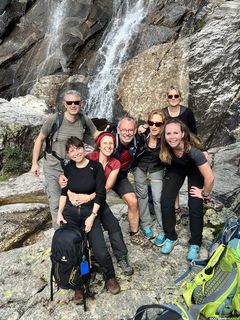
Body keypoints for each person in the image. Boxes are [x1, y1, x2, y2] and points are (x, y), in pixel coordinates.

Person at [59, 132, 134, 276]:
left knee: (113, 225)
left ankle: (122, 257)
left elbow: (106, 187)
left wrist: (88, 197)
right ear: (99, 145)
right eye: (105, 143)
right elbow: (74, 172)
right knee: (85, 233)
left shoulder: (115, 163)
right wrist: (63, 182)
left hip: (98, 198)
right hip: (85, 205)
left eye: (111, 143)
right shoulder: (89, 157)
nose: (108, 146)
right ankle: (88, 260)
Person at [57, 137, 120, 304]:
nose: (76, 153)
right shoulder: (68, 168)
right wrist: (60, 213)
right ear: (68, 154)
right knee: (77, 251)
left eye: (78, 148)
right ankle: (79, 284)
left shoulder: (95, 167)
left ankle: (110, 276)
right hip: (71, 214)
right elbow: (64, 192)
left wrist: (92, 217)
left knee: (99, 250)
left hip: (89, 212)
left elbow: (101, 193)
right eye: (71, 151)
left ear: (83, 148)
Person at [31, 90, 99, 229]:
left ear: (82, 103)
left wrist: (116, 135)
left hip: (74, 167)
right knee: (56, 202)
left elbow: (97, 134)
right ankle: (60, 235)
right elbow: (40, 139)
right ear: (64, 104)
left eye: (76, 102)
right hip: (53, 166)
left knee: (74, 200)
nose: (73, 105)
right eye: (69, 102)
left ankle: (75, 232)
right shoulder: (54, 119)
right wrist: (34, 163)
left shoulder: (84, 119)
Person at [159, 119, 214, 260]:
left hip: (195, 170)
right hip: (176, 168)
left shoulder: (194, 152)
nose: (172, 137)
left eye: (175, 133)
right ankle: (171, 237)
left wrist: (204, 194)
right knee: (165, 201)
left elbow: (210, 178)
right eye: (168, 133)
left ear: (183, 134)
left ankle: (195, 243)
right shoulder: (166, 147)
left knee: (195, 204)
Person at [107, 117, 148, 245]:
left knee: (133, 201)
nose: (127, 133)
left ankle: (134, 233)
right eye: (124, 130)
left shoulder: (139, 140)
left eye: (130, 130)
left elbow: (157, 129)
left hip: (120, 177)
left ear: (135, 130)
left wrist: (146, 125)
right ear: (118, 130)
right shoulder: (109, 140)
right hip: (103, 175)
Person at [132, 109, 166, 246]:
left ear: (163, 124)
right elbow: (124, 130)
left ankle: (164, 228)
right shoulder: (142, 133)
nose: (154, 126)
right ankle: (146, 224)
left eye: (158, 124)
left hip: (157, 168)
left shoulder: (166, 137)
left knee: (158, 198)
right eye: (151, 123)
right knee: (142, 195)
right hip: (140, 167)